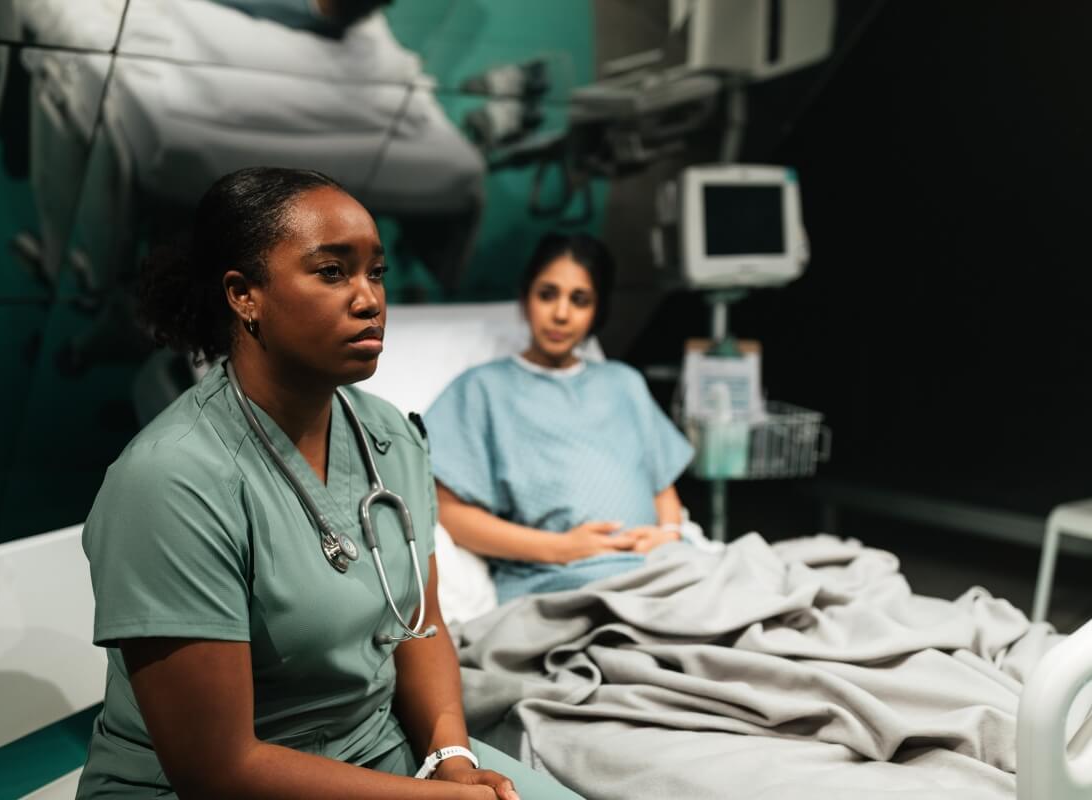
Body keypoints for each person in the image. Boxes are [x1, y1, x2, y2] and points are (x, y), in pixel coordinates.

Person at [78, 167, 579, 799]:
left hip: (384, 760)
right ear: (244, 295)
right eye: (332, 271)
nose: (369, 298)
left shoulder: (392, 438)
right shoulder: (171, 483)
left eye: (376, 271)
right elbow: (217, 770)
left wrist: (451, 756)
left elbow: (420, 626)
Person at [424, 233, 695, 604]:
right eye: (547, 294)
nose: (561, 313)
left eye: (579, 300)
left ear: (597, 312)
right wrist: (562, 549)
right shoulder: (482, 389)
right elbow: (449, 513)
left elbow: (661, 484)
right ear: (525, 298)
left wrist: (668, 535)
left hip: (659, 565)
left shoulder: (623, 383)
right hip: (558, 579)